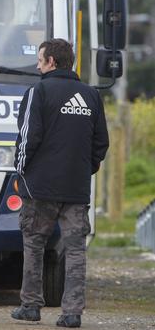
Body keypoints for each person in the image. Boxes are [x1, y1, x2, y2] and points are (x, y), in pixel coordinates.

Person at [11, 38, 109, 328]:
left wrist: (20, 170)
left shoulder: (37, 92)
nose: (38, 65)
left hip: (40, 187)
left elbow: (28, 138)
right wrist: (82, 171)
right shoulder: (91, 95)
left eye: (40, 60)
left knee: (34, 244)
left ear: (51, 62)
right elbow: (101, 143)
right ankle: (72, 313)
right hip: (76, 188)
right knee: (76, 249)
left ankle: (30, 306)